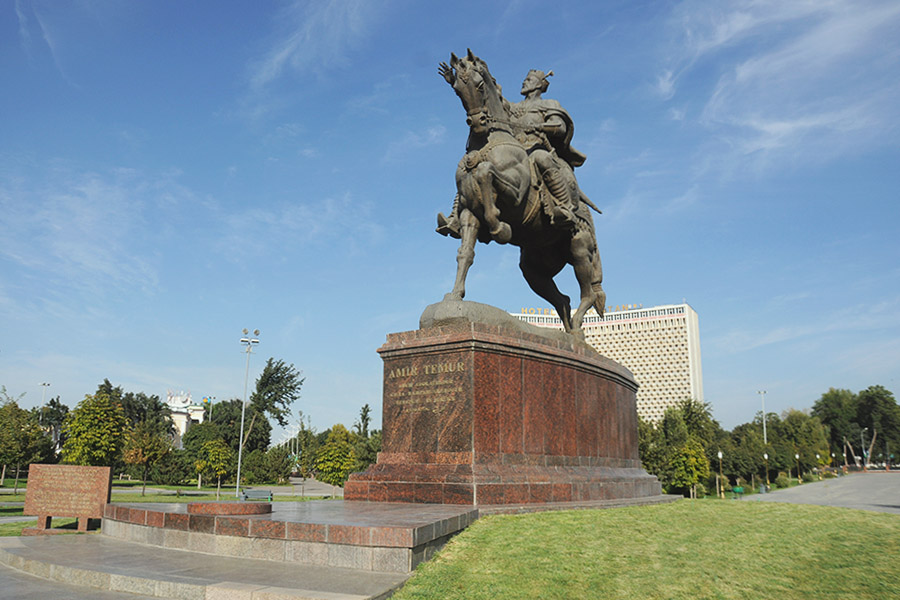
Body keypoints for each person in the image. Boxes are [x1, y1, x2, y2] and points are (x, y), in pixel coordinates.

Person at [437, 69, 587, 237]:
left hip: (536, 147)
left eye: (529, 79)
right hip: (514, 152)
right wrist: (455, 82)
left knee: (542, 158)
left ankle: (565, 208)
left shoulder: (549, 104)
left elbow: (560, 126)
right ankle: (456, 217)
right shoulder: (514, 107)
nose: (524, 82)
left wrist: (541, 127)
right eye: (525, 79)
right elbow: (490, 95)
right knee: (474, 161)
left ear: (540, 84)